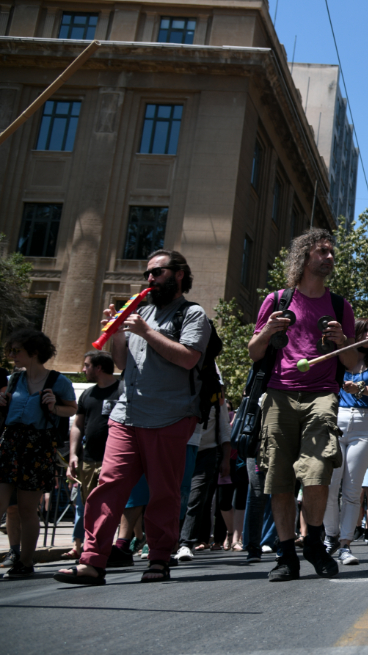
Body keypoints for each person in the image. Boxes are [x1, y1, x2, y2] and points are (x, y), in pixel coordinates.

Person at [55, 250, 209, 585]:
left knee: (163, 493)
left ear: (179, 274)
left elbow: (187, 359)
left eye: (158, 273)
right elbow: (124, 362)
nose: (150, 280)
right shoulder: (141, 310)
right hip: (127, 414)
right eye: (148, 275)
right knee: (108, 488)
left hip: (170, 416)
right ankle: (93, 561)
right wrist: (119, 333)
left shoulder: (193, 314)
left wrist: (146, 332)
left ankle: (158, 558)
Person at [248, 228, 356, 581]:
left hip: (322, 394)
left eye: (331, 253)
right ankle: (285, 555)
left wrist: (343, 341)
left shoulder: (341, 307)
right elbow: (254, 352)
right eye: (322, 251)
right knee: (279, 478)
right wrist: (266, 332)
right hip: (279, 394)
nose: (329, 257)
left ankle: (313, 543)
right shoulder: (277, 300)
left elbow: (354, 363)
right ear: (305, 255)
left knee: (317, 473)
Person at [0, 329, 77, 578]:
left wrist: (55, 407)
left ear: (33, 352)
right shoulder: (13, 379)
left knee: (26, 509)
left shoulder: (58, 381)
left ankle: (25, 561)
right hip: (10, 443)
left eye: (16, 350)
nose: (12, 355)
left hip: (38, 446)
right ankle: (18, 556)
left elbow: (72, 410)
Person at [322, 317, 368, 563]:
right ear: (356, 333)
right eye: (365, 331)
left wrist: (359, 390)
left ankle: (345, 544)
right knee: (329, 486)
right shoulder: (340, 357)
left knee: (352, 489)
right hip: (336, 421)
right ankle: (331, 536)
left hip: (365, 425)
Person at [66, 351, 121, 560]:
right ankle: (91, 548)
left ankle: (112, 547)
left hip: (115, 460)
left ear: (98, 367)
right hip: (88, 460)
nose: (83, 369)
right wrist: (73, 454)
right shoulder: (87, 394)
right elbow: (77, 425)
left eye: (86, 365)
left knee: (112, 507)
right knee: (89, 507)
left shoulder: (122, 391)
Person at [176, 389, 232, 561]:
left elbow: (224, 428)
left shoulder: (216, 394)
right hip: (180, 450)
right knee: (175, 497)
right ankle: (169, 540)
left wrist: (225, 459)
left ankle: (186, 543)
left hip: (207, 452)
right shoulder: (179, 390)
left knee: (196, 497)